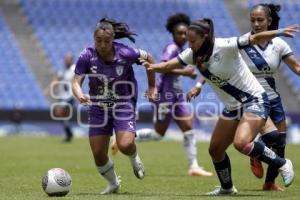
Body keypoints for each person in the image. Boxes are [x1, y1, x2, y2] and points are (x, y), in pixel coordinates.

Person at [140, 18, 297, 195]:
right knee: (215, 149)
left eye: (193, 41)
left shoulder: (225, 45)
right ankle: (227, 188)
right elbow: (169, 65)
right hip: (233, 107)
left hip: (254, 100)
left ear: (204, 37)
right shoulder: (193, 54)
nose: (189, 45)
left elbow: (254, 38)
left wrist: (279, 32)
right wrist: (152, 66)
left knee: (241, 143)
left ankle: (283, 164)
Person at [111, 13, 212, 177]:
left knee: (188, 129)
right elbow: (163, 66)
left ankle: (193, 166)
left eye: (185, 33)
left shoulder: (183, 49)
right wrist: (185, 73)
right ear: (173, 34)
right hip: (165, 94)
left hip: (177, 95)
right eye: (179, 33)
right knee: (159, 134)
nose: (183, 36)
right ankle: (125, 139)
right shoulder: (172, 48)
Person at [72, 17, 156, 195]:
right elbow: (76, 81)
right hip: (98, 107)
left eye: (107, 41)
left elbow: (149, 58)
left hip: (123, 104)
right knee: (98, 154)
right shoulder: (86, 55)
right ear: (94, 39)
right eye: (98, 41)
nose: (102, 45)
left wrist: (152, 86)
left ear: (113, 40)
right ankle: (113, 183)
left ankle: (134, 157)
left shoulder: (125, 53)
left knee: (125, 145)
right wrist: (79, 94)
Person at [237, 3, 300, 191]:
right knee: (271, 137)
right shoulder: (243, 42)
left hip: (273, 98)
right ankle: (255, 150)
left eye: (260, 20)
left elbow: (296, 67)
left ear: (269, 21)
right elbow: (221, 64)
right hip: (252, 99)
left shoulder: (279, 44)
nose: (255, 24)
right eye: (252, 20)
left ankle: (269, 183)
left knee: (280, 143)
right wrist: (199, 84)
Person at [46, 53, 76, 142]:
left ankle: (69, 134)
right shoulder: (63, 71)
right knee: (60, 115)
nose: (66, 61)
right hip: (62, 96)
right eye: (65, 59)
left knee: (60, 113)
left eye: (68, 59)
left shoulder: (74, 69)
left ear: (71, 60)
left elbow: (77, 80)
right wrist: (49, 89)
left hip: (69, 96)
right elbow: (56, 80)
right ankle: (69, 133)